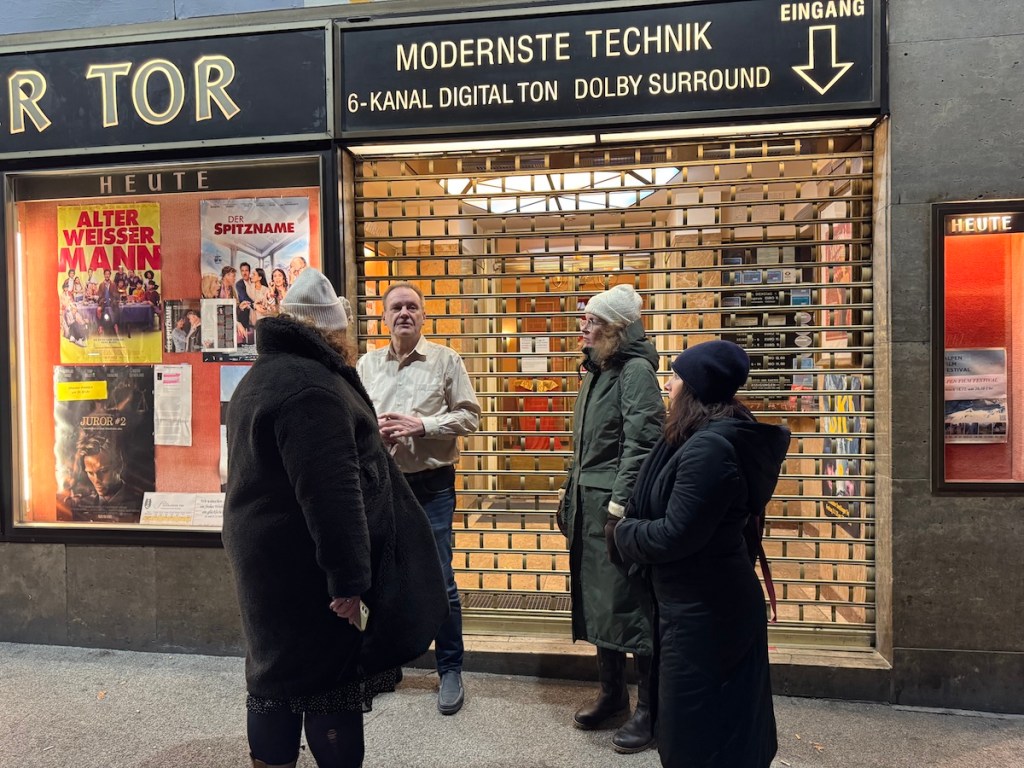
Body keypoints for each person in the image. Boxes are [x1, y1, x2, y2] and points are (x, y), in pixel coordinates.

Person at [223, 268, 441, 768]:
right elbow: (331, 497)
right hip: (308, 568)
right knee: (330, 685)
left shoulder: (263, 375)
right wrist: (348, 582)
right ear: (331, 331)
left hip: (269, 559)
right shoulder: (312, 388)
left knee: (275, 678)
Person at [614, 340, 791, 768]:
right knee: (704, 725)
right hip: (697, 605)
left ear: (695, 387)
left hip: (709, 614)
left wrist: (624, 532)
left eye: (675, 377)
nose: (667, 384)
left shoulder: (709, 449)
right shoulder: (700, 437)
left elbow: (676, 536)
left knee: (700, 732)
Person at [356, 281, 480, 716]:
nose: (404, 313)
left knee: (440, 579)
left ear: (424, 315)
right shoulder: (366, 364)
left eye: (412, 306)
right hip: (382, 484)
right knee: (380, 577)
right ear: (383, 317)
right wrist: (374, 434)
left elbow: (470, 417)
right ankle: (383, 666)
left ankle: (450, 669)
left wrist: (422, 426)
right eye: (396, 308)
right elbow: (355, 420)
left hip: (431, 487)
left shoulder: (446, 360)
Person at [558, 284, 664, 753]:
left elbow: (642, 444)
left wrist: (619, 508)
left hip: (615, 512)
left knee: (632, 606)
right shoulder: (597, 370)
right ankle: (613, 695)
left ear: (617, 329)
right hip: (589, 507)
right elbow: (586, 449)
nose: (583, 327)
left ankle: (651, 710)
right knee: (602, 602)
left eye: (593, 321)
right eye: (585, 319)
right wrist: (569, 498)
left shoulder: (635, 372)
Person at [69, 433, 143, 523]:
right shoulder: (81, 505)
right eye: (90, 473)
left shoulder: (141, 503)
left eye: (103, 471)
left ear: (119, 466)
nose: (97, 480)